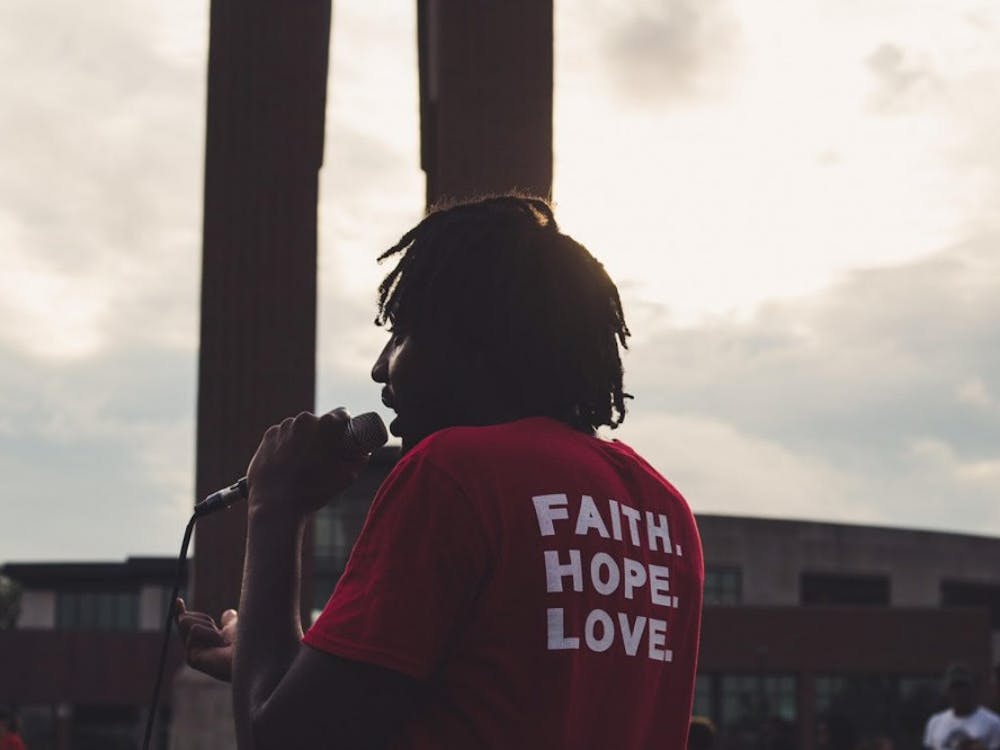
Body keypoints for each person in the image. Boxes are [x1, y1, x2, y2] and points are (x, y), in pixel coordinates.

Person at [176, 195, 705, 749]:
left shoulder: (456, 473)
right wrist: (269, 659)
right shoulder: (666, 512)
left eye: (401, 334)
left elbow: (275, 740)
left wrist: (274, 506)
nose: (381, 367)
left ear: (472, 342)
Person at [924, 663, 1000, 750]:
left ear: (972, 689)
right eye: (954, 688)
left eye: (963, 687)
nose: (958, 693)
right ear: (947, 691)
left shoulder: (993, 723)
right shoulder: (935, 722)